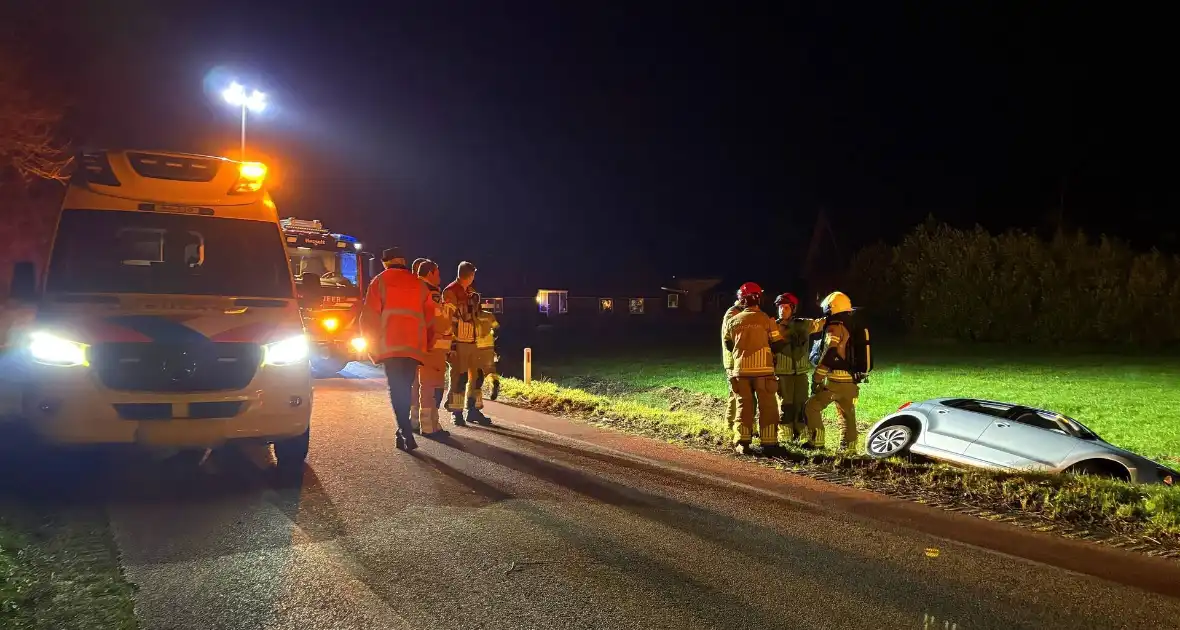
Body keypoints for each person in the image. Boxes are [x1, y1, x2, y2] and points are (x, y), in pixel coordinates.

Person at [360, 247, 436, 451]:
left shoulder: (379, 281)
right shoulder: (419, 285)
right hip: (413, 348)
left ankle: (404, 431)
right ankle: (402, 431)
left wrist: (371, 347)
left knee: (397, 389)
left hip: (390, 347)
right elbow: (431, 319)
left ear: (385, 263)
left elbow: (369, 318)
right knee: (406, 387)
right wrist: (428, 344)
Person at [723, 282, 787, 455]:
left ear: (742, 300)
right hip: (763, 372)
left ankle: (742, 442)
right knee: (768, 407)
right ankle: (769, 443)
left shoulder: (733, 320)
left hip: (740, 371)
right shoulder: (766, 319)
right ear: (759, 298)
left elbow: (728, 344)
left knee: (743, 406)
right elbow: (778, 344)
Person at [804, 290, 859, 450]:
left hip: (835, 380)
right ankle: (849, 449)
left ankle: (816, 442)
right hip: (851, 380)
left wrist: (817, 377)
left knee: (811, 407)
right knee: (847, 414)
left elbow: (830, 352)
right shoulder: (852, 326)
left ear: (831, 308)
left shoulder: (834, 328)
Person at [443, 261, 491, 426]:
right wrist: (451, 345)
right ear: (470, 275)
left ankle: (474, 410)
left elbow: (476, 317)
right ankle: (456, 413)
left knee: (477, 377)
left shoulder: (471, 292)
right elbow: (448, 320)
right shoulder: (450, 292)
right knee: (460, 378)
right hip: (459, 343)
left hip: (473, 342)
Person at [773, 293, 825, 442]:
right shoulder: (773, 326)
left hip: (801, 374)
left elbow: (820, 324)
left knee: (801, 405)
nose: (782, 310)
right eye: (780, 307)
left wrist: (837, 316)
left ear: (793, 309)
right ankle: (785, 436)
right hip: (783, 374)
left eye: (786, 307)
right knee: (785, 405)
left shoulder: (804, 324)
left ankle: (801, 434)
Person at [413, 259, 452, 439]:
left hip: (414, 345)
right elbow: (437, 321)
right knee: (430, 388)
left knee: (416, 386)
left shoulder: (412, 288)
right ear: (430, 273)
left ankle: (414, 421)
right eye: (438, 273)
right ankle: (430, 427)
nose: (440, 278)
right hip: (432, 347)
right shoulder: (430, 293)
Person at [720, 296, 744, 437]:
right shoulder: (733, 313)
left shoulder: (737, 311)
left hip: (738, 360)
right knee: (735, 393)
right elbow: (732, 337)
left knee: (738, 394)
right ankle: (729, 425)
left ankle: (737, 424)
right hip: (733, 361)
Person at [475, 299, 500, 402]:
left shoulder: (469, 317)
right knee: (490, 371)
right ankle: (494, 381)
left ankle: (476, 399)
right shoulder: (489, 315)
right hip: (489, 346)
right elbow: (497, 328)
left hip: (475, 346)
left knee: (475, 373)